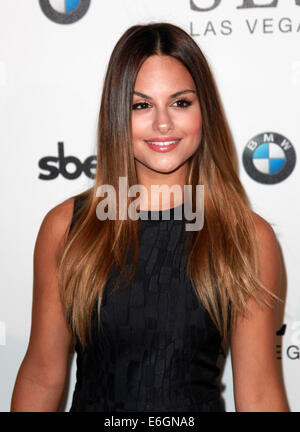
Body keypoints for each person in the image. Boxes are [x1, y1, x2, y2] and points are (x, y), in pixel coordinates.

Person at [11, 22, 289, 412]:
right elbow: (42, 375)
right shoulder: (67, 227)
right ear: (117, 115)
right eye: (141, 105)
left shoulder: (247, 237)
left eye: (180, 102)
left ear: (203, 110)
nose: (163, 123)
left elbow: (259, 393)